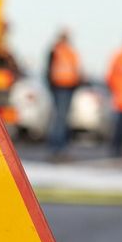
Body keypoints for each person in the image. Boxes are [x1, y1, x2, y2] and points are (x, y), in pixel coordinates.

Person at [45, 29, 81, 162]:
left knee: (63, 119)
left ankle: (61, 148)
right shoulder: (56, 50)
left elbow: (75, 70)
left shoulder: (69, 52)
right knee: (60, 119)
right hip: (59, 87)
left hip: (69, 87)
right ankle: (57, 148)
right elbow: (49, 69)